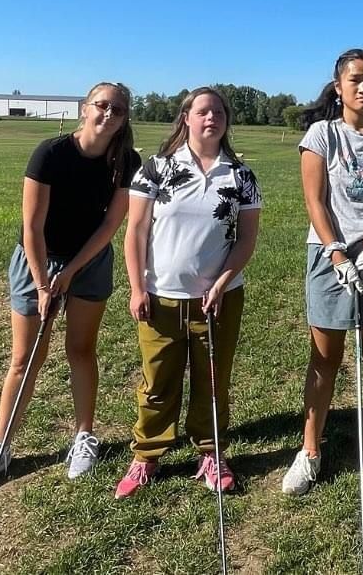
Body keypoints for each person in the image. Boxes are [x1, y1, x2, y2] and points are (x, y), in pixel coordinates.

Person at [0, 82, 140, 491]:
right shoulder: (51, 153)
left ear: (125, 117)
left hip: (89, 262)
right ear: (84, 109)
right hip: (36, 258)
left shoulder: (126, 161)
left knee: (80, 349)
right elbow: (32, 226)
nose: (108, 114)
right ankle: (0, 446)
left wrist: (73, 270)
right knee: (25, 358)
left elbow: (111, 225)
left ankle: (83, 436)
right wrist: (43, 283)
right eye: (101, 105)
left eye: (118, 109)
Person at [114, 87, 261, 499]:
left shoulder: (241, 176)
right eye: (202, 111)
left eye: (218, 112)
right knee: (157, 382)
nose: (211, 117)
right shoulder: (156, 168)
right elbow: (137, 231)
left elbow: (246, 240)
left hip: (219, 299)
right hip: (159, 297)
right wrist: (136, 287)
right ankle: (147, 455)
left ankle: (211, 453)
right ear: (186, 119)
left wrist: (220, 282)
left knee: (212, 381)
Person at [281, 49, 363, 496]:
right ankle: (310, 451)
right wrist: (338, 254)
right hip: (328, 255)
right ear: (338, 86)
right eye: (355, 79)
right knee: (325, 358)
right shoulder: (321, 133)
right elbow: (315, 200)